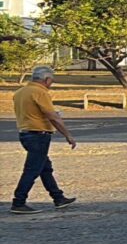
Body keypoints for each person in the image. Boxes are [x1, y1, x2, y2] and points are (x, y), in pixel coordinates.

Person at [11, 65, 78, 215]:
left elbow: (32, 113)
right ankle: (18, 201)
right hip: (38, 135)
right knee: (32, 169)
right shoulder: (40, 92)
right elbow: (52, 116)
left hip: (25, 133)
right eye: (51, 81)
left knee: (45, 168)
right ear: (47, 79)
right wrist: (67, 135)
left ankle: (58, 197)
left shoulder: (20, 92)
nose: (51, 84)